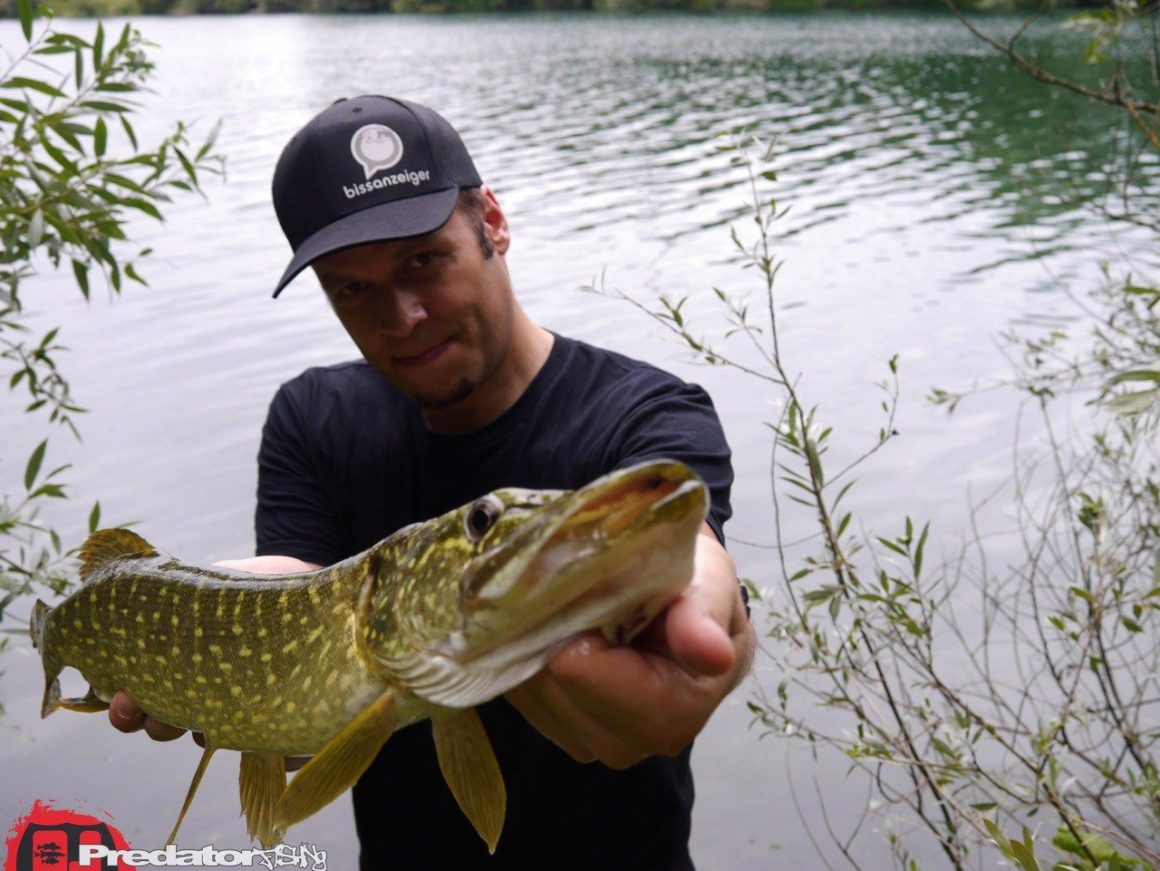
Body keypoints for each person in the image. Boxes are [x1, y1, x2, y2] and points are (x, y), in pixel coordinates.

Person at [109, 95, 755, 869]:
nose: (403, 315)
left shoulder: (644, 410)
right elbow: (297, 579)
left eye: (424, 260)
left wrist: (714, 625)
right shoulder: (312, 415)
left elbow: (686, 545)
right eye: (353, 288)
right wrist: (226, 649)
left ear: (493, 223)